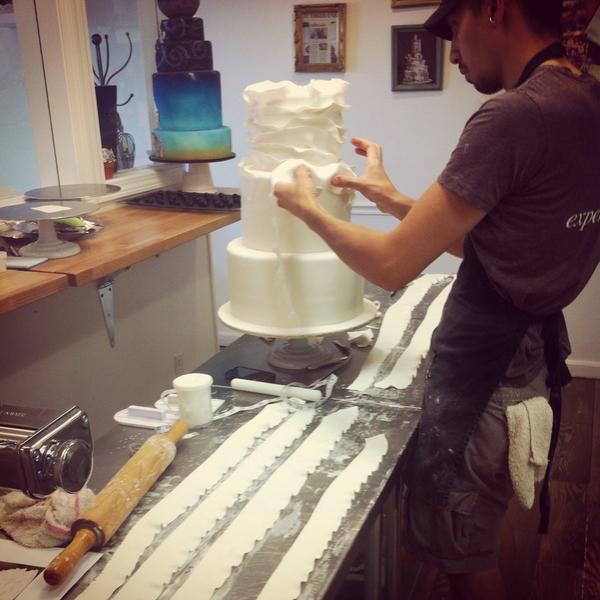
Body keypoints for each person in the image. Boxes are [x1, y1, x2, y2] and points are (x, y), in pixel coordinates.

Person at [273, 0, 600, 598]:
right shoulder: (584, 100)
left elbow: (391, 266)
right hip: (528, 354)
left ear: (494, 9)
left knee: (463, 554)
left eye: (453, 29)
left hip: (488, 370)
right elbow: (496, 243)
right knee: (475, 529)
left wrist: (305, 210)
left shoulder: (515, 115)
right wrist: (394, 200)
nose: (452, 54)